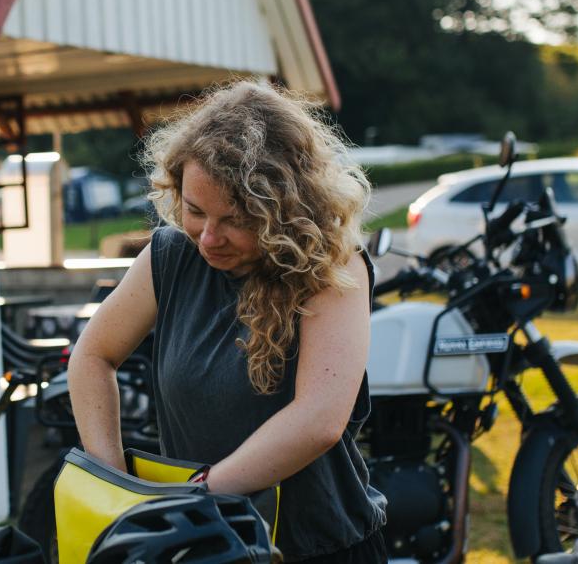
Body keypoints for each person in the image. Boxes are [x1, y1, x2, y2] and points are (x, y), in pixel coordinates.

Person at [67, 80, 387, 563]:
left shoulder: (332, 266)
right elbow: (93, 355)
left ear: (286, 213)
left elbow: (319, 419)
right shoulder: (171, 255)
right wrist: (112, 487)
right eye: (196, 211)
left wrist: (203, 496)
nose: (208, 238)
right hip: (200, 546)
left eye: (237, 219)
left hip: (316, 548)